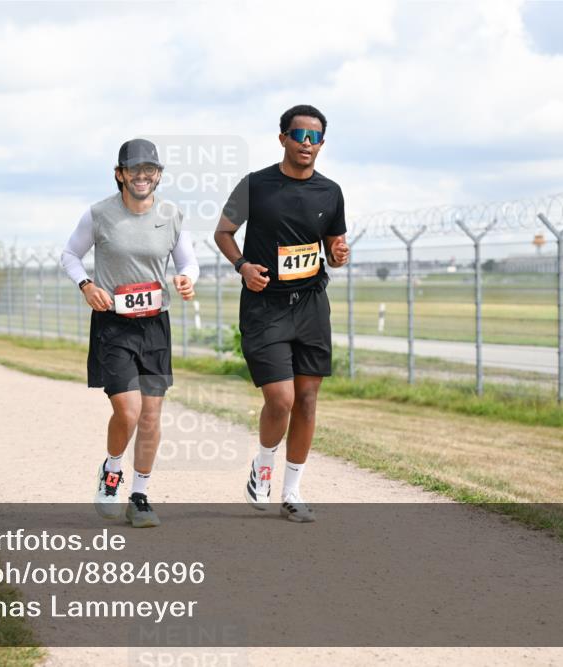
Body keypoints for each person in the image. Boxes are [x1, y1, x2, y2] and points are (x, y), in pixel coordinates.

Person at [214, 105, 349, 523]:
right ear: (283, 139)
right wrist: (242, 266)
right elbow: (223, 233)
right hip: (264, 306)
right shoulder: (254, 185)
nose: (306, 144)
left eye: (314, 138)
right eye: (299, 135)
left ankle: (292, 491)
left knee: (307, 400)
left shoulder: (331, 192)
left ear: (322, 144)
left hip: (310, 304)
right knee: (281, 399)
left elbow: (334, 248)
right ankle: (264, 463)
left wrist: (340, 255)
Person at [61, 138, 199, 528]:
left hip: (156, 324)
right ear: (119, 174)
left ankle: (139, 496)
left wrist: (187, 279)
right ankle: (112, 469)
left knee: (152, 416)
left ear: (158, 175)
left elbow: (188, 261)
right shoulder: (100, 214)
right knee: (129, 410)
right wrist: (87, 285)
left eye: (150, 170)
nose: (142, 176)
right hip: (114, 323)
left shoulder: (171, 214)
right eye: (134, 170)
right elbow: (69, 254)